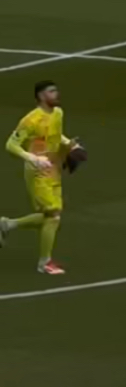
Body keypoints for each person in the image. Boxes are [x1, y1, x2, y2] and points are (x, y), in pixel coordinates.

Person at [0, 79, 80, 276]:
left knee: (51, 216)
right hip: (37, 171)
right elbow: (11, 145)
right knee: (53, 216)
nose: (56, 94)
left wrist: (72, 146)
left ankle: (7, 225)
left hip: (54, 168)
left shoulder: (58, 113)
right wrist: (33, 158)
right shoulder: (31, 120)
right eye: (51, 91)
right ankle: (44, 263)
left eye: (56, 91)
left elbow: (57, 136)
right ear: (41, 96)